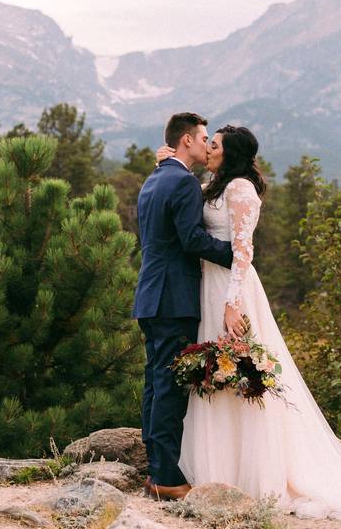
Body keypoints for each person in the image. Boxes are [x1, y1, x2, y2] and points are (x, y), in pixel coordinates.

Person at [156, 126, 341, 520]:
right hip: (206, 287)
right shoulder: (213, 186)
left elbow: (243, 249)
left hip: (232, 289)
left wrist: (233, 304)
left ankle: (256, 474)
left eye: (214, 145)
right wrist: (166, 163)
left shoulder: (240, 190)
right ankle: (218, 470)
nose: (209, 149)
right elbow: (184, 197)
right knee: (213, 376)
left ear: (229, 153)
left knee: (241, 375)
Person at [133, 112, 233, 501]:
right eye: (204, 138)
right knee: (171, 386)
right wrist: (235, 253)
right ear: (186, 141)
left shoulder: (154, 178)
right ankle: (166, 477)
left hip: (150, 295)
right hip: (174, 297)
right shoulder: (185, 183)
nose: (208, 145)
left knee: (155, 383)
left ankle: (156, 467)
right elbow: (191, 240)